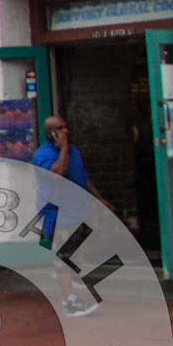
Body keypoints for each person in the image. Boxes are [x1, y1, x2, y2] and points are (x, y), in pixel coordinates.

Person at [33, 115, 102, 316]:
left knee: (78, 252)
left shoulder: (73, 151)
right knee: (64, 258)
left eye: (66, 127)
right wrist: (62, 148)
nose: (66, 132)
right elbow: (58, 173)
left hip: (77, 211)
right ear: (51, 133)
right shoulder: (43, 155)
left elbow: (83, 177)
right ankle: (68, 302)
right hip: (58, 214)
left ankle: (69, 278)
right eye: (60, 129)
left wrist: (100, 200)